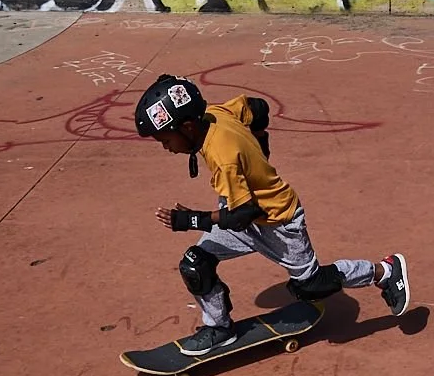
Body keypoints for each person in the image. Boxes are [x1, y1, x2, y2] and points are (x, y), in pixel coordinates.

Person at [134, 74, 410, 356]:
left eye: (165, 139)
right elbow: (258, 108)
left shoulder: (222, 156)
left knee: (311, 287)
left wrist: (190, 220)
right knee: (196, 265)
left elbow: (243, 214)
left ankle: (385, 270)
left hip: (279, 221)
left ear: (188, 127)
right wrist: (260, 144)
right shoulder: (214, 114)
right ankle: (219, 328)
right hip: (244, 216)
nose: (165, 147)